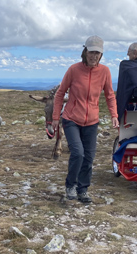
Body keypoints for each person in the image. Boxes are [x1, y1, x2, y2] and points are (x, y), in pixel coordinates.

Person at [52, 35, 119, 203]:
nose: (94, 56)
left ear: (101, 55)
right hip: (71, 119)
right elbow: (60, 93)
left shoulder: (104, 71)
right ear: (85, 51)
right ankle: (70, 185)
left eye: (97, 53)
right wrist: (55, 117)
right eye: (91, 52)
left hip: (92, 121)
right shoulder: (74, 70)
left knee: (89, 157)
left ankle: (83, 190)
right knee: (78, 153)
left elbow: (110, 95)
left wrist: (114, 115)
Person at [116, 42, 137, 123]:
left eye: (129, 52)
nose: (127, 54)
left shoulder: (125, 65)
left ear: (135, 52)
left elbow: (123, 88)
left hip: (132, 105)